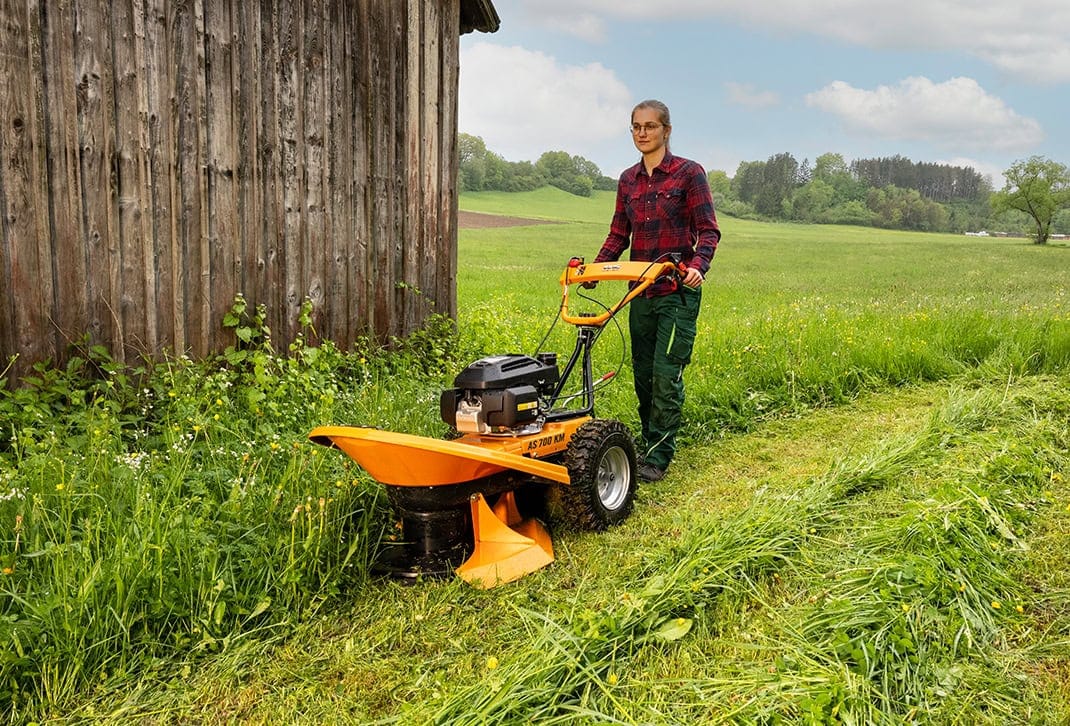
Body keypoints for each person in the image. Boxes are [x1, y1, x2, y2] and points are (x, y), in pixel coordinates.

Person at [591, 99, 720, 482]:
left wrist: (698, 266)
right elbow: (619, 234)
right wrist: (594, 269)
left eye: (650, 126)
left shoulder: (688, 174)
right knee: (644, 376)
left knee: (666, 375)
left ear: (666, 130)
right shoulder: (628, 180)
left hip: (677, 293)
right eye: (636, 127)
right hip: (641, 293)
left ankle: (658, 455)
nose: (642, 133)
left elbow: (709, 230)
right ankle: (650, 440)